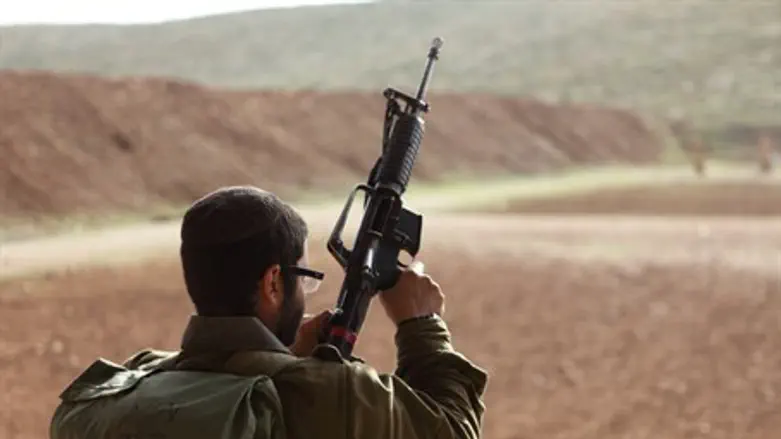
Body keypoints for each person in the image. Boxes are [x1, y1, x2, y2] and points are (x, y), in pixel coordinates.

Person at [50, 185, 488, 439]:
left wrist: (285, 358)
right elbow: (454, 429)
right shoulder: (328, 395)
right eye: (303, 278)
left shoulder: (130, 380)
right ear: (273, 282)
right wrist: (422, 326)